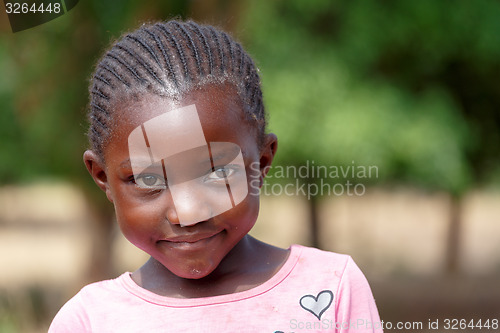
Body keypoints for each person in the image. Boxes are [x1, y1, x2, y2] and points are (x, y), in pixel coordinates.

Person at [49, 19, 382, 332]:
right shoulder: (90, 321)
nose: (188, 213)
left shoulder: (332, 286)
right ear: (103, 178)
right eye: (149, 180)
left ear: (262, 163)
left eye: (217, 171)